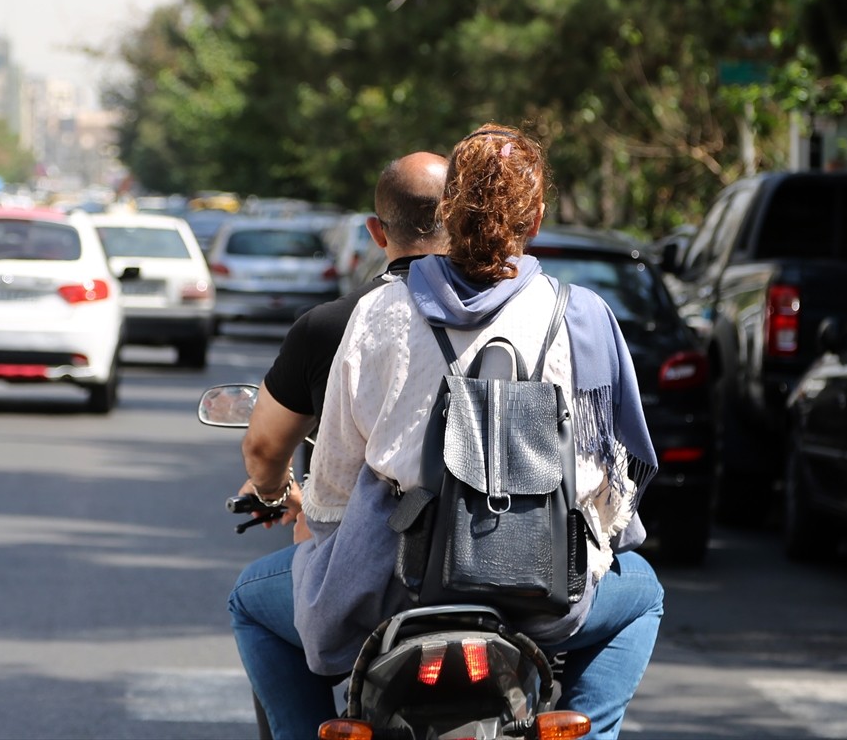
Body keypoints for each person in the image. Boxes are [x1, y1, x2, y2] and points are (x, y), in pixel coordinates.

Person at [234, 125, 665, 738]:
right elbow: (610, 483)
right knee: (642, 593)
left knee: (251, 600)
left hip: (389, 590)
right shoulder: (582, 315)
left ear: (451, 210)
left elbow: (330, 490)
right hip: (541, 592)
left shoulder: (377, 312)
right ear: (536, 216)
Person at [227, 151, 449, 729]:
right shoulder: (527, 311)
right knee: (637, 595)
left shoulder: (341, 323)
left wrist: (277, 493)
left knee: (251, 600)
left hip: (380, 570)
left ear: (376, 232)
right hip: (514, 563)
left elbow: (263, 449)